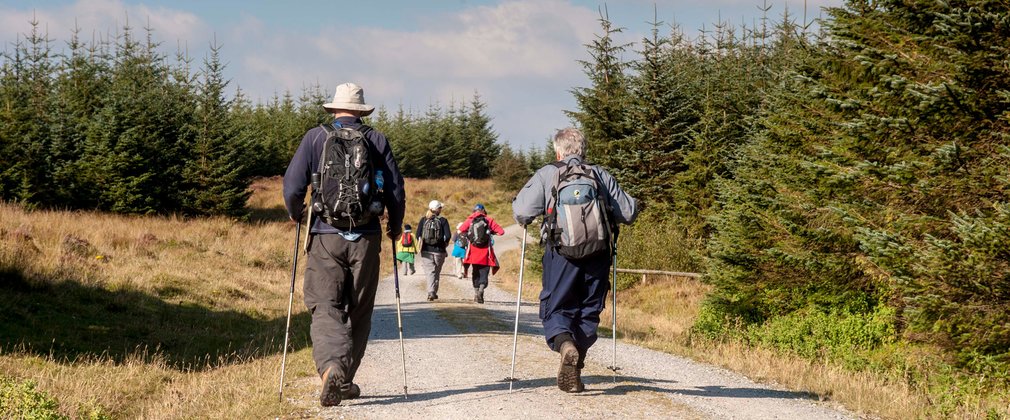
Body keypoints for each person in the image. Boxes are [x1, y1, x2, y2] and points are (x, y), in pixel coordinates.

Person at [283, 82, 405, 407]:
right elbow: (395, 190)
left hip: (324, 235)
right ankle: (345, 379)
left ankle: (331, 370)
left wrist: (298, 214)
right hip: (366, 238)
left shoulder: (315, 137)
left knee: (325, 306)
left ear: (334, 109)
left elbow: (292, 186)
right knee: (360, 311)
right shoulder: (377, 140)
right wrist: (394, 226)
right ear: (362, 111)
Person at [511, 127, 639, 393]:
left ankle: (565, 345)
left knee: (556, 307)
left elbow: (522, 211)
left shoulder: (548, 173)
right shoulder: (600, 174)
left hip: (561, 254)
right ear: (583, 150)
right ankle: (575, 367)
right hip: (598, 254)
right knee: (589, 310)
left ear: (558, 150)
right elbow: (628, 212)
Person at [458, 203, 505, 304]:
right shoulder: (488, 220)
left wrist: (468, 235)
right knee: (484, 272)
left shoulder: (470, 220)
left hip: (473, 252)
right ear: (484, 211)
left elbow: (460, 230)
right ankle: (481, 291)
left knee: (475, 272)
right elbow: (501, 232)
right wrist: (491, 232)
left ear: (474, 211)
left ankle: (476, 293)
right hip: (485, 253)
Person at [417, 200, 451, 301]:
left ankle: (431, 292)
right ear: (438, 209)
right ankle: (433, 292)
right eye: (440, 208)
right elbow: (448, 235)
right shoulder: (443, 220)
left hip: (426, 250)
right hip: (439, 251)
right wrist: (444, 244)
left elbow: (418, 234)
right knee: (436, 272)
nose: (441, 209)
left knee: (429, 272)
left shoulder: (423, 220)